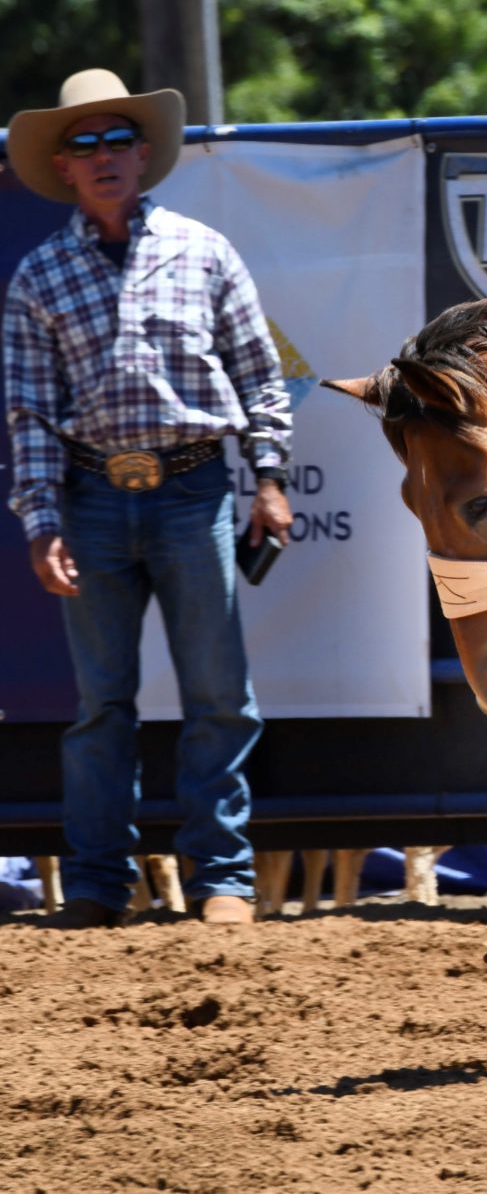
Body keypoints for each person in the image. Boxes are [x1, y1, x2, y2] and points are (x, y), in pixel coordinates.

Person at [4, 70, 294, 929]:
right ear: (63, 165)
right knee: (101, 703)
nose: (102, 157)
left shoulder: (205, 251)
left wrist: (268, 477)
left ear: (143, 155)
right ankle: (97, 882)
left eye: (115, 140)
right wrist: (40, 519)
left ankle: (224, 880)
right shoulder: (37, 277)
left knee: (219, 693)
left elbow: (259, 373)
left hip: (195, 488)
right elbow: (28, 413)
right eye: (84, 144)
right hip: (90, 497)